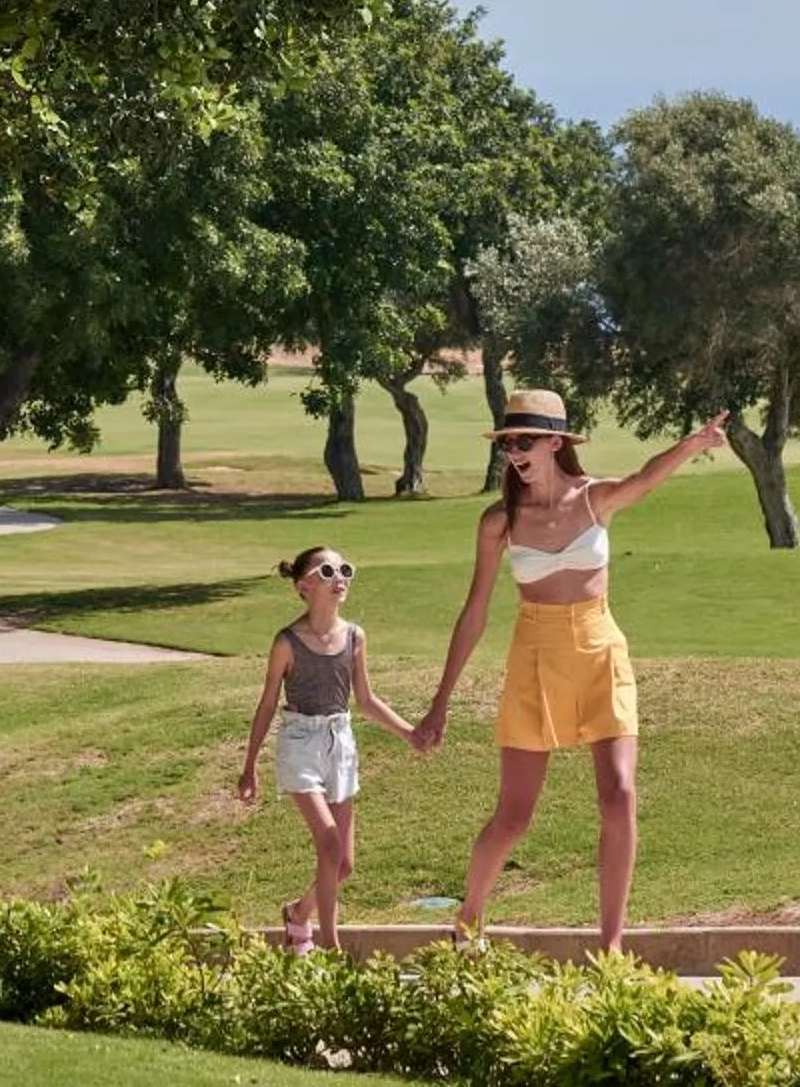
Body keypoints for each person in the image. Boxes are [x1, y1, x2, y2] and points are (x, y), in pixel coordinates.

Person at [412, 389, 728, 952]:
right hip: (533, 658)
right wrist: (441, 702)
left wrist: (696, 442)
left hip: (601, 651)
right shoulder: (499, 521)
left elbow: (646, 478)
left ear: (556, 443)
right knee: (513, 817)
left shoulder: (593, 499)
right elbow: (476, 611)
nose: (514, 451)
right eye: (508, 442)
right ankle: (468, 922)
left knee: (621, 793)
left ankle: (609, 946)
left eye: (524, 441)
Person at [235, 543, 422, 954]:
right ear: (303, 586)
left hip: (341, 744)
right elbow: (267, 704)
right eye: (326, 572)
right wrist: (250, 766)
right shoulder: (287, 641)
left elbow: (367, 701)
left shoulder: (354, 636)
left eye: (344, 570)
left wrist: (411, 733)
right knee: (331, 844)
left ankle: (299, 914)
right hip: (300, 743)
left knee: (344, 865)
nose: (338, 578)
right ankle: (332, 949)